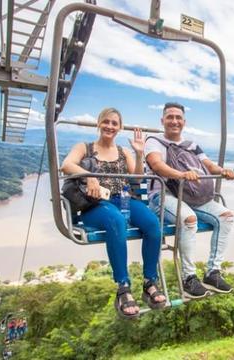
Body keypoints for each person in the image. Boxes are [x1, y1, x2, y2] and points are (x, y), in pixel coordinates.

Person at [61, 107, 166, 318]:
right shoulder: (85, 148)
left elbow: (137, 179)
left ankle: (149, 281)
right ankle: (123, 286)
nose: (110, 126)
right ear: (99, 124)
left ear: (119, 127)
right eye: (106, 122)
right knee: (116, 221)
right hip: (95, 204)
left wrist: (137, 153)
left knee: (153, 224)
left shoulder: (122, 152)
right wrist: (89, 175)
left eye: (114, 123)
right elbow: (66, 165)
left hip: (123, 199)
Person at [145, 102, 234, 299]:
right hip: (163, 196)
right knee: (189, 219)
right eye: (170, 117)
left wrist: (223, 171)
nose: (174, 121)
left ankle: (213, 272)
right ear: (162, 120)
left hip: (191, 195)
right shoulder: (154, 142)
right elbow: (157, 165)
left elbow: (209, 165)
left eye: (178, 118)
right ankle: (189, 278)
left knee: (226, 216)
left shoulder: (191, 145)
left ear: (184, 122)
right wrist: (181, 174)